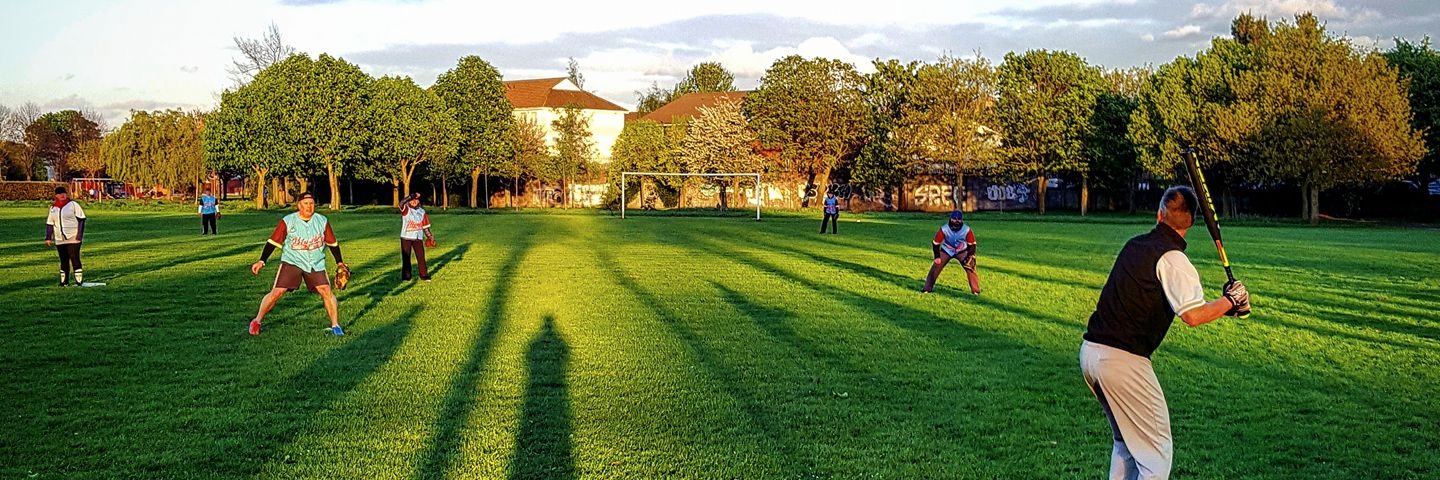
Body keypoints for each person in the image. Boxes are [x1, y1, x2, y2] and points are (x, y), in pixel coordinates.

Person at [1079, 186, 1251, 480]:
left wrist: (1227, 305)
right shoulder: (1174, 259)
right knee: (1156, 456)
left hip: (1091, 354)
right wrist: (1232, 300)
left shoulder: (1134, 245)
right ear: (1192, 223)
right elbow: (1193, 315)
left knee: (1126, 444)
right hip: (1123, 363)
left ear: (1159, 214)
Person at [247, 192, 347, 336]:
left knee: (326, 290)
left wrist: (340, 262)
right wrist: (262, 261)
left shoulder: (322, 221)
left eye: (312, 203)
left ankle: (335, 326)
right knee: (277, 292)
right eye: (305, 203)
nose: (309, 206)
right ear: (299, 205)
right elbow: (273, 242)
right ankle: (257, 321)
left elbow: (332, 243)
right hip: (292, 262)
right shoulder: (288, 221)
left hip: (315, 262)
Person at [921, 210, 980, 294]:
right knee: (936, 266)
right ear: (950, 219)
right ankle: (927, 288)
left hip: (962, 250)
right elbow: (936, 243)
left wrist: (971, 255)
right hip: (947, 250)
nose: (956, 221)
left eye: (959, 219)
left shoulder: (966, 230)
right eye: (954, 219)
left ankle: (975, 291)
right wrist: (937, 257)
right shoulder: (944, 229)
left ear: (962, 220)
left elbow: (972, 244)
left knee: (970, 267)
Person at [45, 186, 87, 287]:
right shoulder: (53, 208)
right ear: (56, 196)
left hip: (73, 237)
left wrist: (79, 235)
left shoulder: (73, 205)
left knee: (74, 258)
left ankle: (78, 282)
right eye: (60, 194)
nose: (62, 195)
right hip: (59, 238)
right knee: (63, 260)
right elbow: (50, 223)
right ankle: (64, 282)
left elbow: (82, 219)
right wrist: (48, 237)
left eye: (64, 193)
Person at [398, 192, 435, 281]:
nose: (414, 202)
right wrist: (411, 196)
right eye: (412, 200)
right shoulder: (406, 209)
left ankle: (424, 275)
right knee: (406, 258)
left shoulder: (422, 212)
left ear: (419, 201)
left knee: (421, 257)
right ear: (409, 202)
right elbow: (401, 203)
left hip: (418, 238)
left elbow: (425, 227)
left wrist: (430, 237)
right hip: (406, 237)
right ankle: (406, 277)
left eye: (416, 200)